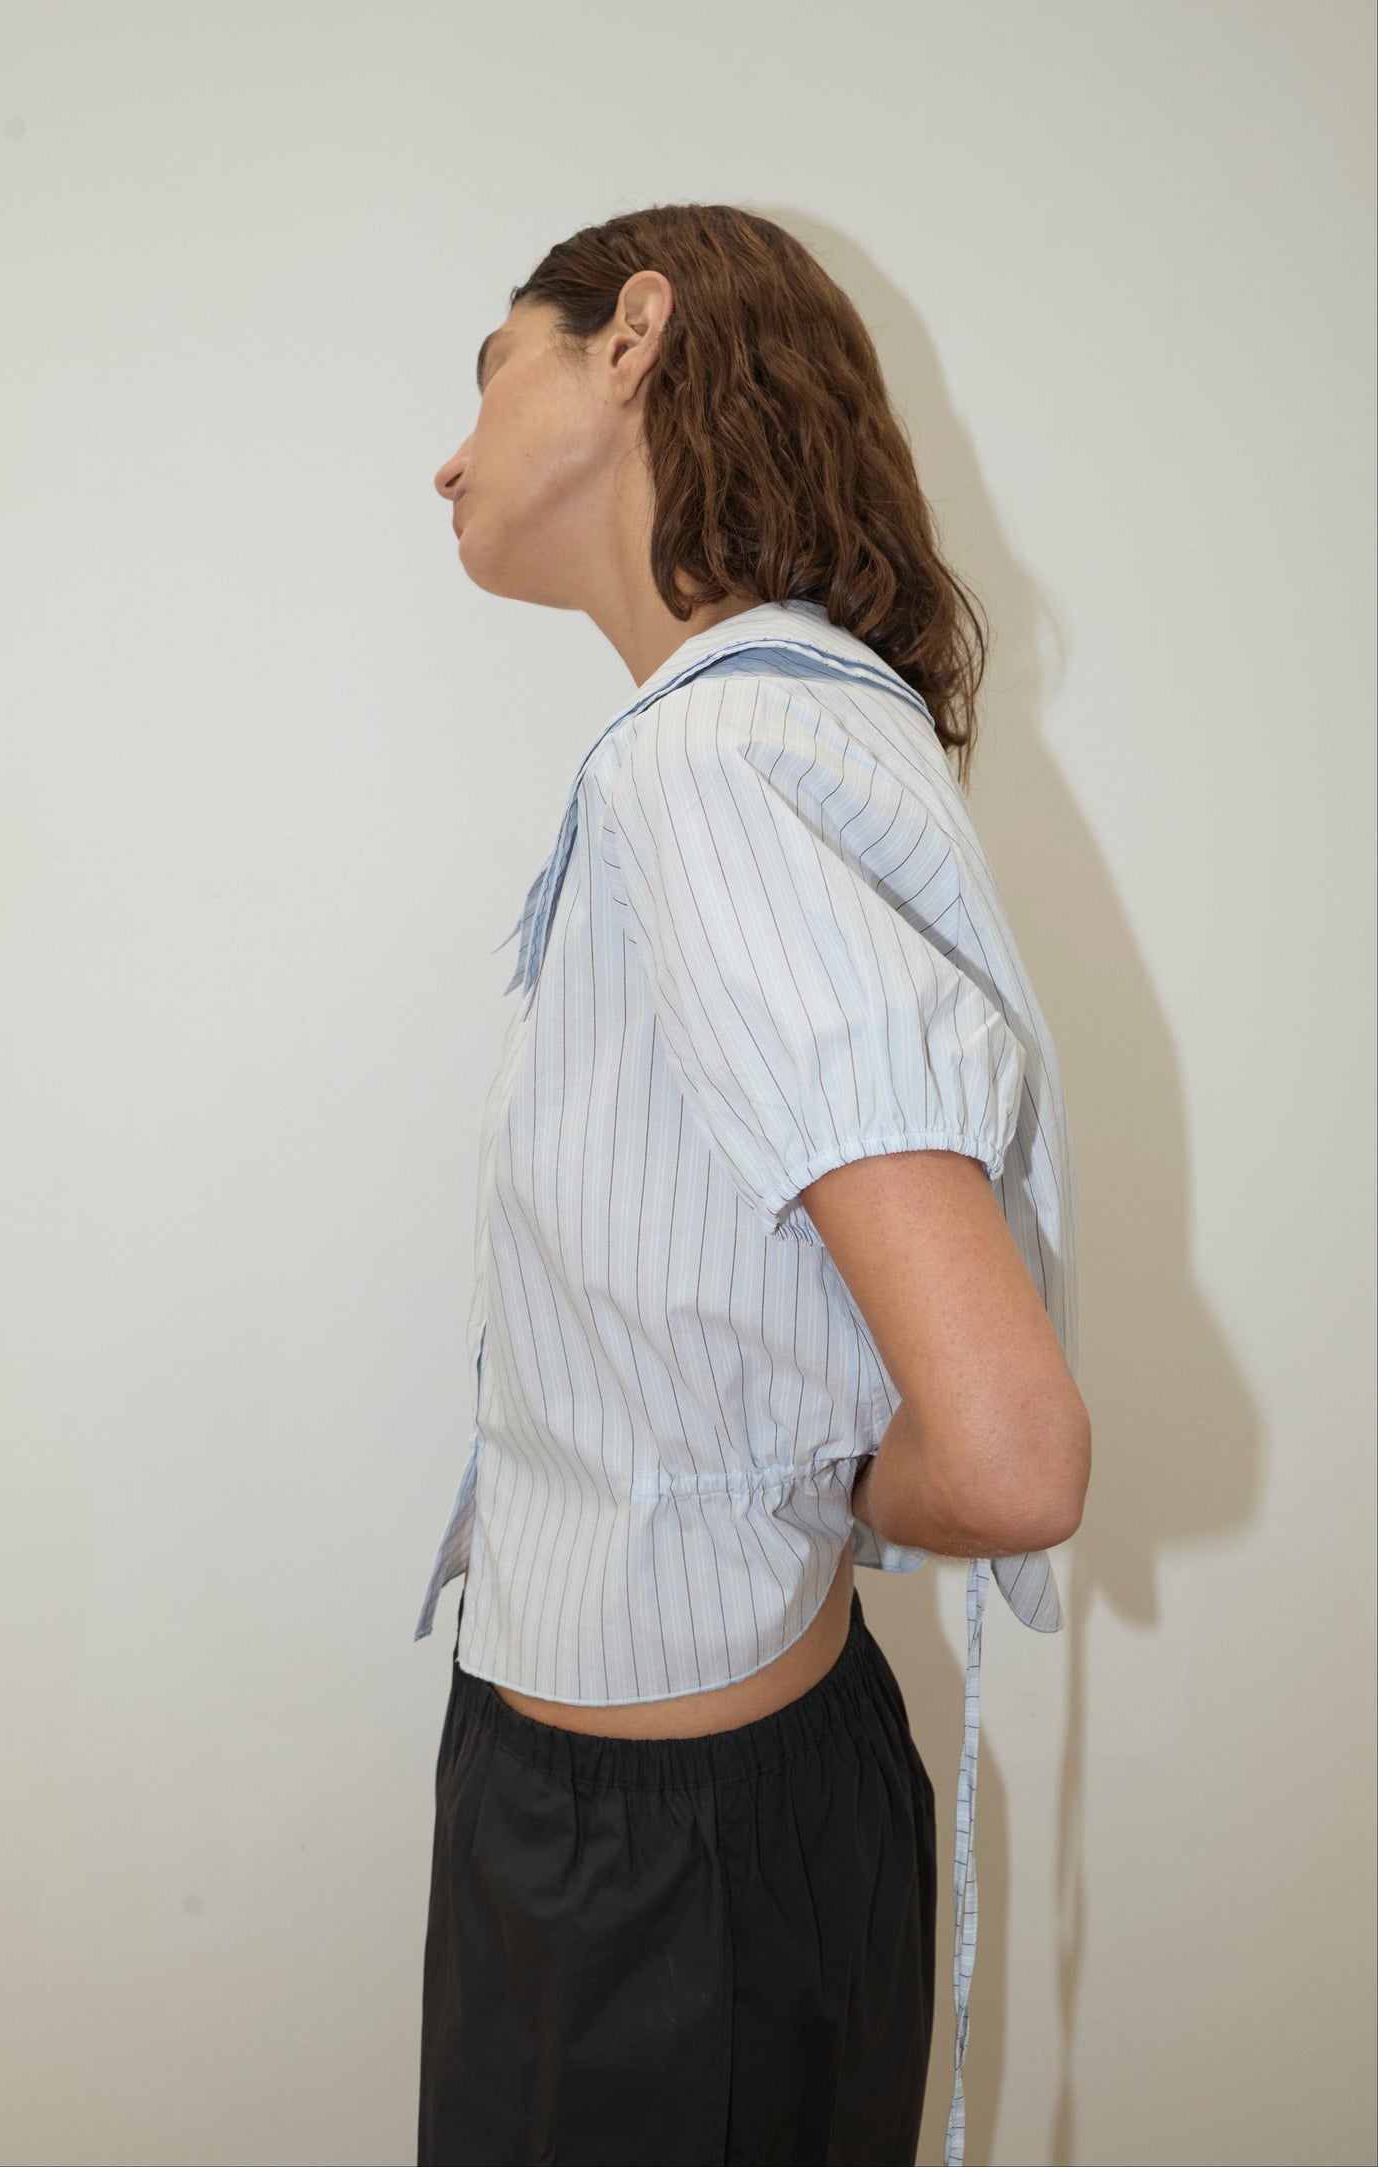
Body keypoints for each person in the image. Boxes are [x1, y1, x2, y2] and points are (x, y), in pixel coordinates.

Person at [415, 201, 1090, 2167]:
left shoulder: (703, 768)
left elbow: (1010, 1453)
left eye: (490, 371)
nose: (449, 454)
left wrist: (836, 1485)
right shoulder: (798, 729)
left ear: (634, 338)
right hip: (717, 1830)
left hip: (652, 1886)